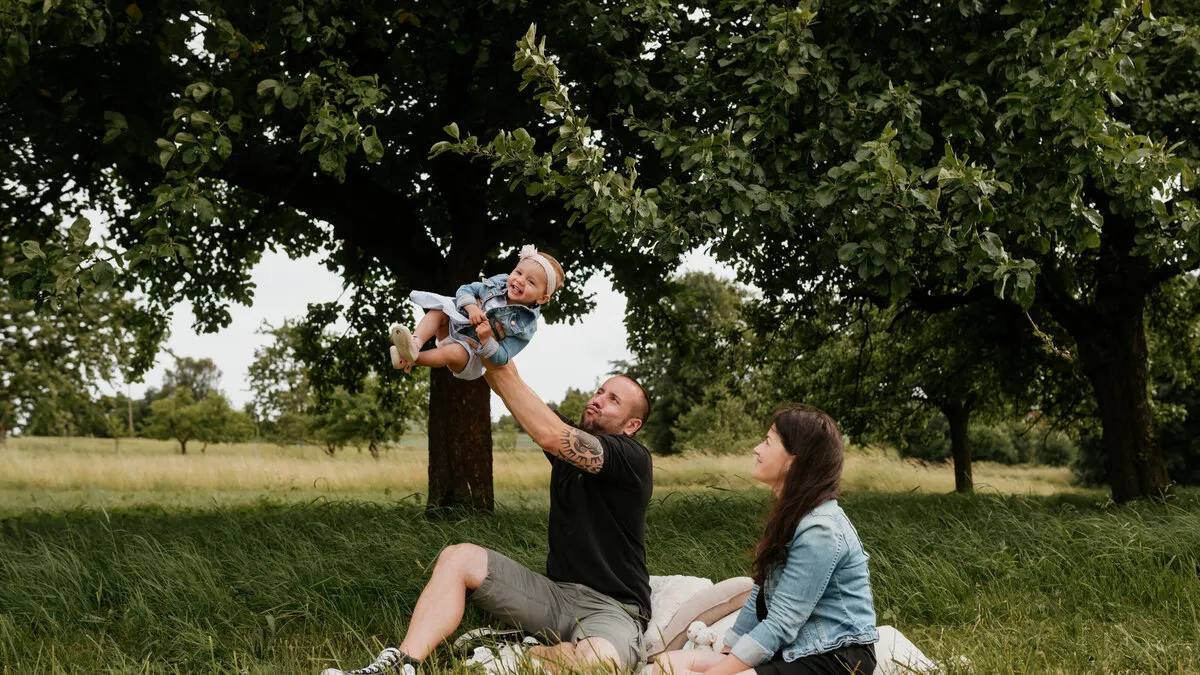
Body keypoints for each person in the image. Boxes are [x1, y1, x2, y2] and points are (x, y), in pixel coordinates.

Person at [324, 363, 654, 675]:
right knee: (458, 557)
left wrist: (494, 358)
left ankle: (537, 651)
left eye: (613, 400)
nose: (597, 399)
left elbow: (551, 434)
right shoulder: (568, 453)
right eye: (600, 390)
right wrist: (485, 347)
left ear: (631, 425)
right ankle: (404, 663)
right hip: (555, 596)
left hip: (612, 608)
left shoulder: (632, 459)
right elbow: (516, 391)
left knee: (597, 664)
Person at [653, 406, 878, 675]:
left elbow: (783, 622)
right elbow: (761, 593)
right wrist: (727, 651)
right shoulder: (793, 515)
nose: (756, 449)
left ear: (794, 459)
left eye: (768, 441)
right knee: (668, 665)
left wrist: (718, 672)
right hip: (795, 648)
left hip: (835, 657)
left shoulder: (821, 529)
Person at [389, 245, 565, 381]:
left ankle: (414, 358)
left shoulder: (526, 326)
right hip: (455, 325)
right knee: (437, 311)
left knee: (453, 353)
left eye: (531, 282)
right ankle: (415, 342)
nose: (520, 280)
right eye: (518, 272)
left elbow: (503, 357)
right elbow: (465, 289)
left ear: (542, 299)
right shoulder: (498, 283)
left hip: (470, 354)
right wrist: (471, 307)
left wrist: (487, 339)